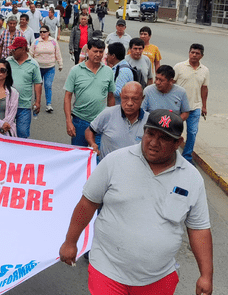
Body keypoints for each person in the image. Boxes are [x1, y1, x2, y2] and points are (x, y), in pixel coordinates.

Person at [59, 109, 213, 295]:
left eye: (163, 138)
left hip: (159, 278)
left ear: (177, 143)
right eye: (150, 134)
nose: (153, 143)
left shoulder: (192, 178)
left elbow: (199, 229)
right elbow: (88, 203)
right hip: (107, 271)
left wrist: (206, 275)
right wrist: (70, 242)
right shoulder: (115, 161)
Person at [64, 38, 115, 147]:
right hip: (80, 121)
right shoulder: (76, 71)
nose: (98, 54)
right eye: (95, 51)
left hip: (101, 122)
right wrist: (69, 121)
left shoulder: (108, 72)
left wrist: (111, 120)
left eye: (101, 52)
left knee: (98, 155)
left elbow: (111, 97)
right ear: (87, 51)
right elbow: (67, 96)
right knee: (78, 155)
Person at [86, 82, 147, 160]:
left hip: (135, 168)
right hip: (108, 168)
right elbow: (89, 130)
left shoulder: (148, 120)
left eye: (135, 99)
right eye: (125, 98)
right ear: (120, 96)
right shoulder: (108, 113)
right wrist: (92, 144)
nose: (129, 103)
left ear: (142, 99)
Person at [174, 43, 209, 164]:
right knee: (174, 131)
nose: (194, 55)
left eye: (197, 53)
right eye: (192, 52)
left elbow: (204, 88)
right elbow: (171, 84)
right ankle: (171, 155)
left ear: (201, 56)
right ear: (189, 53)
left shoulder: (205, 70)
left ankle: (186, 157)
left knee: (192, 133)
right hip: (178, 107)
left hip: (195, 107)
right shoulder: (179, 67)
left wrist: (204, 106)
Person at [6, 36, 42, 139]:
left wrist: (37, 101)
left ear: (22, 49)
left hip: (24, 105)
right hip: (8, 105)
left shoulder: (33, 64)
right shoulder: (8, 62)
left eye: (14, 49)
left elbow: (38, 83)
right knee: (7, 132)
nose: (12, 51)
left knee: (22, 133)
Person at [31, 25, 63, 113]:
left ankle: (48, 104)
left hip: (50, 67)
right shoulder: (36, 42)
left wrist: (60, 64)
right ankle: (36, 102)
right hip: (38, 68)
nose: (42, 33)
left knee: (48, 85)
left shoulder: (53, 41)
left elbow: (58, 53)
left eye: (44, 32)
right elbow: (31, 54)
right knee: (38, 86)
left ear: (48, 32)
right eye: (41, 32)